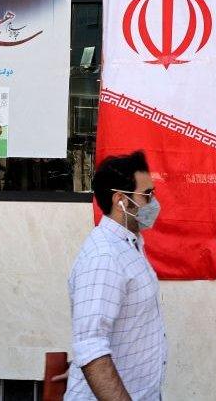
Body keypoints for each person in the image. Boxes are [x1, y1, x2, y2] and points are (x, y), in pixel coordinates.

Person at [63, 151, 167, 401]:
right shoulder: (104, 258)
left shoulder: (129, 244)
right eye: (147, 195)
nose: (153, 203)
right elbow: (91, 348)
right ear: (120, 200)